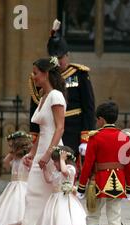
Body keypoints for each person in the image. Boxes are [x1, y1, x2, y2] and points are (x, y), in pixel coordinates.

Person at [5, 57, 83, 225]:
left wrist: (48, 154)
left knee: (50, 200)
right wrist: (32, 154)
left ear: (46, 73)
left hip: (53, 152)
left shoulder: (56, 96)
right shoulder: (43, 97)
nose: (34, 77)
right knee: (33, 198)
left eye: (36, 73)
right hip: (41, 151)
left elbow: (59, 127)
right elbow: (41, 131)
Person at [77, 101, 130, 225]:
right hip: (118, 182)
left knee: (93, 217)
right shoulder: (124, 137)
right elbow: (129, 165)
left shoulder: (95, 137)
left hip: (98, 182)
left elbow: (88, 164)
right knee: (115, 219)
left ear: (101, 119)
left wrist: (81, 186)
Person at [29, 20, 96, 161]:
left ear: (67, 55)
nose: (59, 62)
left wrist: (85, 136)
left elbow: (88, 107)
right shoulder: (42, 77)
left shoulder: (79, 74)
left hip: (74, 129)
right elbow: (36, 107)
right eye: (55, 59)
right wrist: (34, 135)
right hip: (49, 131)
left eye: (61, 57)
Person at [31, 146, 90, 225]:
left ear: (64, 159)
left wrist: (62, 160)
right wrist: (44, 169)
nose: (55, 164)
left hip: (65, 201)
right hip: (55, 201)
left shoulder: (70, 168)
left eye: (56, 161)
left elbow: (65, 172)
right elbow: (49, 180)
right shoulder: (56, 171)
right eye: (55, 162)